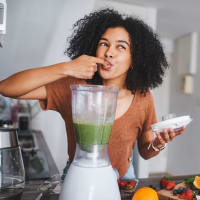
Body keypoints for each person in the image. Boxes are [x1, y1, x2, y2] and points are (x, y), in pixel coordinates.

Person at [0, 8, 185, 179]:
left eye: (121, 47)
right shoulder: (74, 87)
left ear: (135, 58)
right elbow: (6, 87)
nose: (109, 53)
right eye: (104, 44)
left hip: (123, 181)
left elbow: (146, 152)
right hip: (78, 177)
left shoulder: (143, 98)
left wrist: (160, 142)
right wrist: (67, 68)